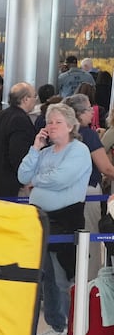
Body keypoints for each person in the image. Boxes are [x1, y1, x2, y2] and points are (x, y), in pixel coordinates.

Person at [17, 103, 91, 335]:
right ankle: (56, 323)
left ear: (70, 126)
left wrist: (37, 182)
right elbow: (22, 176)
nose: (52, 126)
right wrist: (35, 149)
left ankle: (72, 328)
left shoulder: (79, 150)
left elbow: (62, 179)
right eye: (49, 122)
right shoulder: (45, 153)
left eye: (57, 122)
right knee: (46, 276)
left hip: (66, 219)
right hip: (39, 219)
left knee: (63, 277)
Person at [63, 94, 114, 235]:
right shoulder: (88, 135)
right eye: (89, 108)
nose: (93, 111)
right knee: (89, 233)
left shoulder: (63, 134)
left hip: (63, 190)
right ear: (79, 113)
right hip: (87, 189)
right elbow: (106, 168)